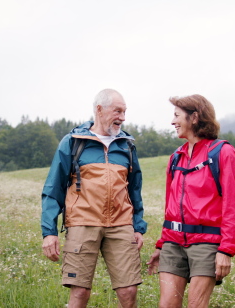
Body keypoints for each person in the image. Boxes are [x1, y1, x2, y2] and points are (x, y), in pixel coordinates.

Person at [41, 88, 147, 308]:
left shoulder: (127, 145)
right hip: (82, 223)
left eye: (125, 111)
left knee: (128, 291)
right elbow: (53, 188)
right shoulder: (73, 142)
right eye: (117, 111)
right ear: (99, 109)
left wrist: (138, 226)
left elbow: (134, 189)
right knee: (79, 293)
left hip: (120, 224)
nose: (123, 117)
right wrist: (49, 232)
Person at [146, 94, 235, 308]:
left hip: (207, 243)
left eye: (176, 116)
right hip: (173, 244)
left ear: (194, 117)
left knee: (196, 305)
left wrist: (226, 250)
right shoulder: (177, 157)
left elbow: (232, 204)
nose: (172, 122)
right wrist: (161, 244)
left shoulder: (223, 153)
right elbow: (171, 208)